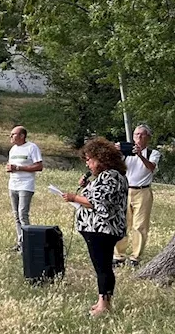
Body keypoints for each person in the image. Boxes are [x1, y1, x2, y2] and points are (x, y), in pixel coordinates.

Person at [62, 138, 128, 317]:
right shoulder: (106, 177)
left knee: (103, 267)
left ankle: (104, 305)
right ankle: (102, 300)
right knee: (102, 266)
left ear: (101, 159)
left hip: (102, 229)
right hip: (97, 229)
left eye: (90, 159)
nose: (88, 164)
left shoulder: (110, 176)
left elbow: (98, 203)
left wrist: (73, 197)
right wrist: (86, 186)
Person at [114, 124, 162, 267]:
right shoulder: (126, 152)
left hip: (143, 191)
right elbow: (114, 166)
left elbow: (151, 168)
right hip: (125, 190)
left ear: (148, 137)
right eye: (136, 134)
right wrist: (116, 151)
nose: (138, 137)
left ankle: (135, 257)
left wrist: (140, 155)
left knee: (140, 225)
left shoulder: (153, 153)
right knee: (122, 223)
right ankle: (118, 256)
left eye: (142, 135)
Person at [6, 125, 43, 252]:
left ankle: (28, 243)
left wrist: (18, 168)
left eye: (13, 134)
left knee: (23, 214)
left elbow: (39, 166)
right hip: (13, 185)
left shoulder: (31, 148)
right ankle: (20, 243)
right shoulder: (13, 150)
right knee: (16, 215)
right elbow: (11, 165)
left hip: (26, 185)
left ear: (22, 136)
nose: (11, 136)